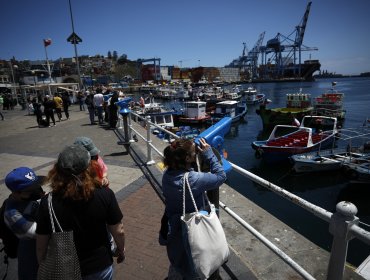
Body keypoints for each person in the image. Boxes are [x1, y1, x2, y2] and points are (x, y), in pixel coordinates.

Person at [36, 144, 125, 279]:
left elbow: (41, 244)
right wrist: (120, 249)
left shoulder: (47, 202)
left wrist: (42, 263)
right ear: (89, 168)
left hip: (65, 268)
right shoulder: (105, 194)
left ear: (57, 170)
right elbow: (118, 231)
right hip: (99, 265)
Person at [161, 138, 226, 279]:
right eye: (193, 153)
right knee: (195, 262)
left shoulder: (166, 176)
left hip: (174, 229)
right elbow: (221, 176)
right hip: (193, 229)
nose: (195, 154)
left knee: (181, 262)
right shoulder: (194, 179)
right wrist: (209, 154)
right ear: (187, 158)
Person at [4, 167, 45, 280]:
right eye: (30, 190)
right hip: (30, 255)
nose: (35, 191)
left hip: (44, 251)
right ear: (16, 192)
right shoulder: (11, 213)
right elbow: (31, 231)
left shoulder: (32, 193)